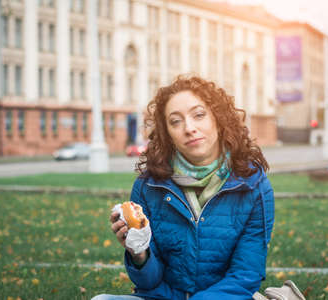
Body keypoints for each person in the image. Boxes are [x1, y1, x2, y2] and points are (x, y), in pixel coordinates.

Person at [92, 75, 275, 300]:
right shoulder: (148, 185)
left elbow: (245, 275)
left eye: (199, 115)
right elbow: (148, 282)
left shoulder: (254, 185)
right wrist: (139, 253)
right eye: (175, 121)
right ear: (167, 133)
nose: (189, 128)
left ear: (218, 119)